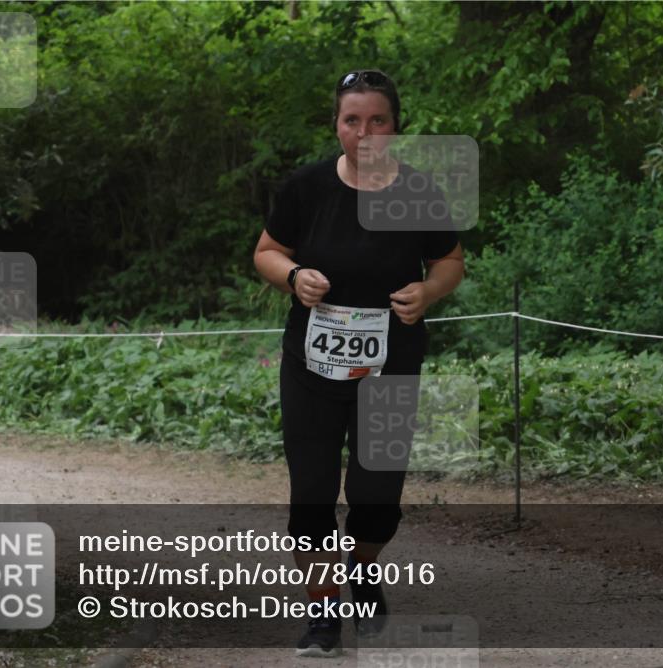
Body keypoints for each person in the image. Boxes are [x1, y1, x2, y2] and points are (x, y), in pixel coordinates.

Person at [253, 69, 464, 657]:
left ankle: (364, 570)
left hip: (391, 364)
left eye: (378, 120)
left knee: (377, 497)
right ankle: (322, 618)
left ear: (397, 128)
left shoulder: (417, 190)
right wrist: (294, 277)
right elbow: (266, 252)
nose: (364, 132)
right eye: (353, 120)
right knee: (313, 493)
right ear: (337, 125)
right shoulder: (307, 188)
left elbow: (450, 260)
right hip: (311, 369)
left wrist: (429, 291)